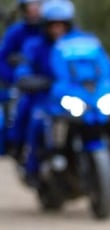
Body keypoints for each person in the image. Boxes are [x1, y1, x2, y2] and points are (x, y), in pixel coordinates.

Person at [15, 0, 110, 184]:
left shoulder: (83, 43)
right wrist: (27, 78)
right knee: (35, 119)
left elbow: (100, 65)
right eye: (53, 25)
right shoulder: (35, 45)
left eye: (61, 24)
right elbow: (23, 67)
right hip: (46, 96)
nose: (57, 29)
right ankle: (32, 167)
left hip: (80, 96)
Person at [0, 0, 42, 157]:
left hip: (54, 85)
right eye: (31, 6)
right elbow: (3, 59)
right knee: (21, 110)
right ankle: (18, 146)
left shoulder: (54, 31)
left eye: (38, 5)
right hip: (24, 85)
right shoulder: (16, 33)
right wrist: (15, 80)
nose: (35, 9)